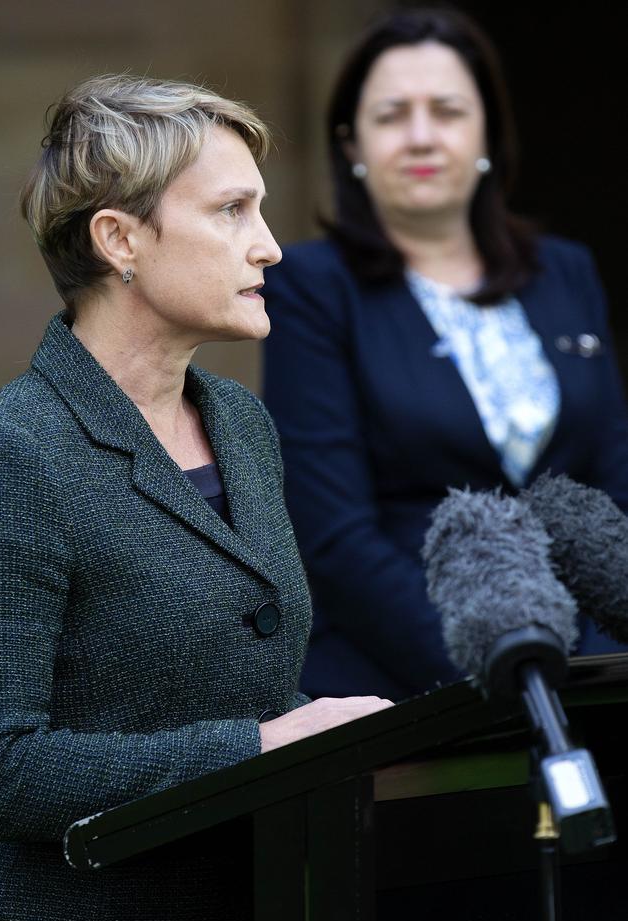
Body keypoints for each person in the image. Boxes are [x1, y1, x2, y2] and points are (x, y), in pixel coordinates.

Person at [0, 74, 392, 921]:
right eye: (233, 210)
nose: (271, 247)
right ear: (119, 239)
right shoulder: (10, 453)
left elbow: (248, 674)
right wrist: (262, 748)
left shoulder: (243, 425)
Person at [263, 8, 628, 703]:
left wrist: (593, 667)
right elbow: (334, 538)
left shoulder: (567, 271)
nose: (422, 136)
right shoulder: (312, 288)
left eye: (448, 111)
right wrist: (501, 665)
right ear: (351, 144)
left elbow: (616, 490)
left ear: (487, 129)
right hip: (410, 679)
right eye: (393, 114)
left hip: (593, 672)